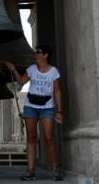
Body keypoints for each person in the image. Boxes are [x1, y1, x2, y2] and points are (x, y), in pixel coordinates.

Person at [6, 44, 63, 181]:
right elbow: (21, 81)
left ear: (45, 55)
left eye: (39, 52)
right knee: (31, 137)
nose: (36, 54)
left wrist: (59, 111)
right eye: (36, 52)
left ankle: (55, 169)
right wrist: (13, 70)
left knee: (49, 138)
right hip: (31, 106)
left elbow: (57, 91)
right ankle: (30, 171)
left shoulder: (53, 72)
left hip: (47, 107)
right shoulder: (31, 69)